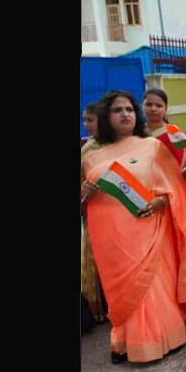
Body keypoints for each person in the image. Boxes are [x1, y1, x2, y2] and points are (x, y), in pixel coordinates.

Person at [81, 90, 186, 363]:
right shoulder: (91, 157)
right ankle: (125, 342)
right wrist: (84, 192)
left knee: (155, 286)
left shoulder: (152, 147)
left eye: (129, 109)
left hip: (151, 230)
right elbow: (85, 203)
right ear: (106, 116)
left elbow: (174, 184)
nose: (125, 114)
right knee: (123, 292)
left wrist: (162, 202)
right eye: (118, 110)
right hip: (112, 239)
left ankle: (168, 336)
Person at [143, 89, 186, 251]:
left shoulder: (173, 134)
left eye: (158, 105)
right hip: (146, 192)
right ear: (142, 106)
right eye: (149, 104)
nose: (153, 108)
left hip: (174, 192)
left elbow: (181, 168)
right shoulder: (136, 134)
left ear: (166, 109)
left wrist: (167, 194)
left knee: (177, 243)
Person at [81, 103, 106, 325]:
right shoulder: (87, 150)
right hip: (95, 212)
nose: (87, 125)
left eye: (91, 120)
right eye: (85, 120)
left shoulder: (120, 144)